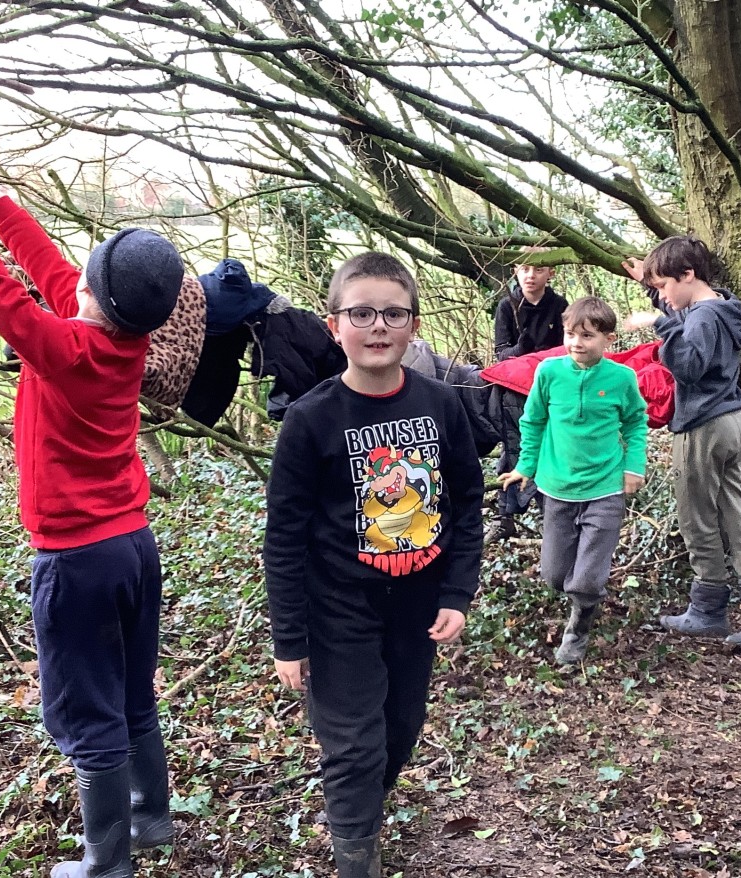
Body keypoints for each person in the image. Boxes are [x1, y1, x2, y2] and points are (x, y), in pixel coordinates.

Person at [0, 138, 184, 878]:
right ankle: (151, 814)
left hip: (77, 559)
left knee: (85, 709)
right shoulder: (117, 340)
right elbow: (46, 267)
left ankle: (106, 863)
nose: (73, 282)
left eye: (84, 280)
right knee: (131, 693)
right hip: (132, 546)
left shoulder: (66, 350)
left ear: (94, 298)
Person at [263, 252, 484, 877]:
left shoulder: (441, 405)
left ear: (414, 325)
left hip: (417, 605)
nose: (378, 326)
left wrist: (457, 592)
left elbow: (467, 502)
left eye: (393, 313)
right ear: (334, 326)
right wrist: (289, 638)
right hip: (338, 607)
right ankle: (357, 853)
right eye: (361, 313)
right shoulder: (311, 419)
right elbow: (284, 537)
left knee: (399, 730)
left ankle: (362, 805)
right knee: (354, 746)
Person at [622, 236, 741, 650]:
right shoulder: (721, 307)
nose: (663, 295)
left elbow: (688, 367)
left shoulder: (701, 318)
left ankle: (707, 611)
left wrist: (659, 324)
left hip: (704, 427)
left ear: (688, 274)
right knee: (737, 518)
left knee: (697, 519)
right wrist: (650, 285)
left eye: (664, 285)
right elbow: (682, 316)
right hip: (734, 423)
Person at [497, 297, 647, 664]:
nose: (576, 343)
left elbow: (635, 423)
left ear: (609, 339)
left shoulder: (621, 378)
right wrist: (526, 466)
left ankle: (579, 624)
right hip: (557, 487)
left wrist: (634, 467)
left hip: (605, 487)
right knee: (554, 575)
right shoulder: (549, 373)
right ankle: (581, 595)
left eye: (587, 336)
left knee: (586, 580)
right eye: (570, 334)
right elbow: (532, 421)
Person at [488, 255, 569, 541]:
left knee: (551, 448)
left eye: (538, 269)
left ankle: (552, 517)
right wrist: (519, 351)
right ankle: (504, 517)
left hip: (550, 388)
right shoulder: (506, 306)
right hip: (514, 388)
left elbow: (568, 349)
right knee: (513, 448)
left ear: (551, 273)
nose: (530, 275)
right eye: (524, 269)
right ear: (516, 271)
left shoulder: (559, 306)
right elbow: (501, 354)